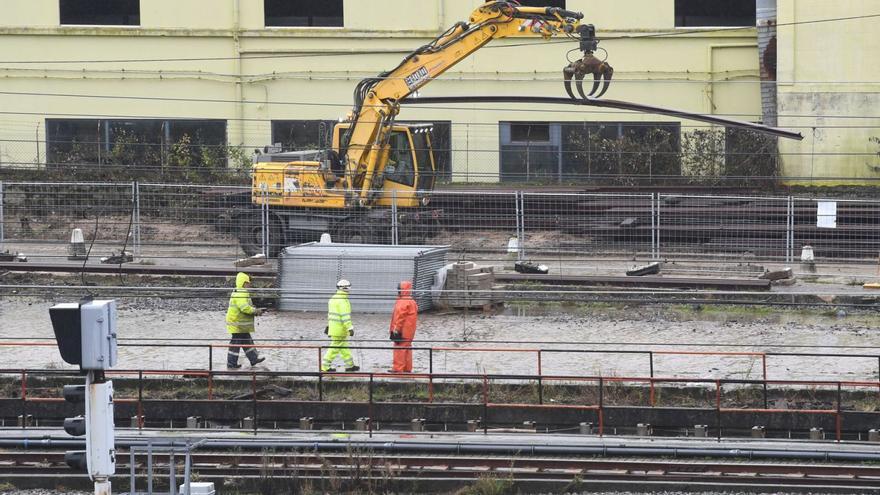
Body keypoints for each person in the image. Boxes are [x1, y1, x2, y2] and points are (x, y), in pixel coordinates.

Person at [225, 272, 266, 369]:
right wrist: (255, 311)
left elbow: (245, 306)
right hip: (238, 324)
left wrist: (255, 310)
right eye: (248, 283)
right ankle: (231, 364)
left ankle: (253, 358)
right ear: (244, 283)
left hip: (239, 324)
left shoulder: (238, 291)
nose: (249, 284)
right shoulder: (241, 292)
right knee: (236, 344)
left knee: (246, 341)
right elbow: (244, 308)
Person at [322, 279, 359, 372]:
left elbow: (331, 315)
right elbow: (345, 316)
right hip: (340, 329)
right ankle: (325, 366)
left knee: (344, 347)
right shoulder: (342, 300)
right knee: (335, 347)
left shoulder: (333, 298)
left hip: (334, 328)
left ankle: (350, 365)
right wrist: (350, 328)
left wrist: (329, 326)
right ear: (346, 288)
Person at [389, 280, 418, 373]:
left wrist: (396, 330)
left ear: (402, 290)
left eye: (399, 289)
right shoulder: (412, 301)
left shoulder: (403, 302)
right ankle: (407, 369)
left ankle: (398, 369)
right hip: (409, 331)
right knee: (407, 349)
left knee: (399, 349)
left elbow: (400, 317)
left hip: (402, 331)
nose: (398, 291)